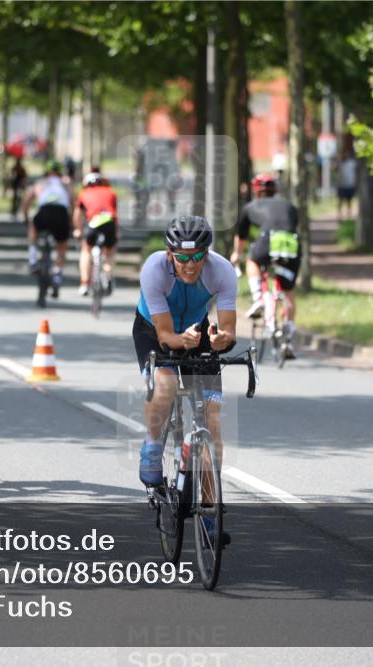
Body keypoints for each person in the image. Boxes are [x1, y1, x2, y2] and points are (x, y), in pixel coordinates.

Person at [134, 216, 237, 544]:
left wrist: (223, 340)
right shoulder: (153, 270)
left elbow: (229, 330)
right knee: (165, 386)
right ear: (170, 254)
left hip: (197, 330)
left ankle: (208, 511)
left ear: (207, 253)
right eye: (182, 258)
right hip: (153, 331)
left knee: (213, 420)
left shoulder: (222, 271)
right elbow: (166, 336)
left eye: (197, 257)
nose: (190, 266)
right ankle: (152, 446)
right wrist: (183, 341)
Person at [232, 173, 301, 329]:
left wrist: (237, 254)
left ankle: (258, 299)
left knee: (252, 260)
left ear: (256, 191)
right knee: (288, 290)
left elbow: (241, 236)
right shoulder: (289, 205)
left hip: (269, 240)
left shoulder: (250, 206)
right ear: (275, 190)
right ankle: (289, 334)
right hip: (291, 242)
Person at [22, 160, 72, 295]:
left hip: (44, 211)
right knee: (61, 246)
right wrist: (71, 221)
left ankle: (32, 259)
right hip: (61, 213)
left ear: (46, 173)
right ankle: (57, 274)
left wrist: (26, 218)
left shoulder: (40, 183)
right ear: (60, 172)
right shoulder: (66, 183)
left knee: (33, 227)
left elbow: (26, 201)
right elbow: (73, 201)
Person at [72, 170, 119, 296]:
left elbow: (78, 215)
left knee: (86, 250)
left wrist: (78, 230)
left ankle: (84, 283)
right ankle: (108, 274)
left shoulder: (84, 193)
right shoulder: (111, 193)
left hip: (93, 223)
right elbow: (115, 215)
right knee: (109, 252)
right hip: (109, 223)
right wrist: (117, 233)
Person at [337, 151, 358, 221]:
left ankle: (349, 216)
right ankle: (340, 216)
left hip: (350, 185)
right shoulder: (340, 164)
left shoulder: (352, 163)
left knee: (349, 202)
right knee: (340, 202)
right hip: (341, 186)